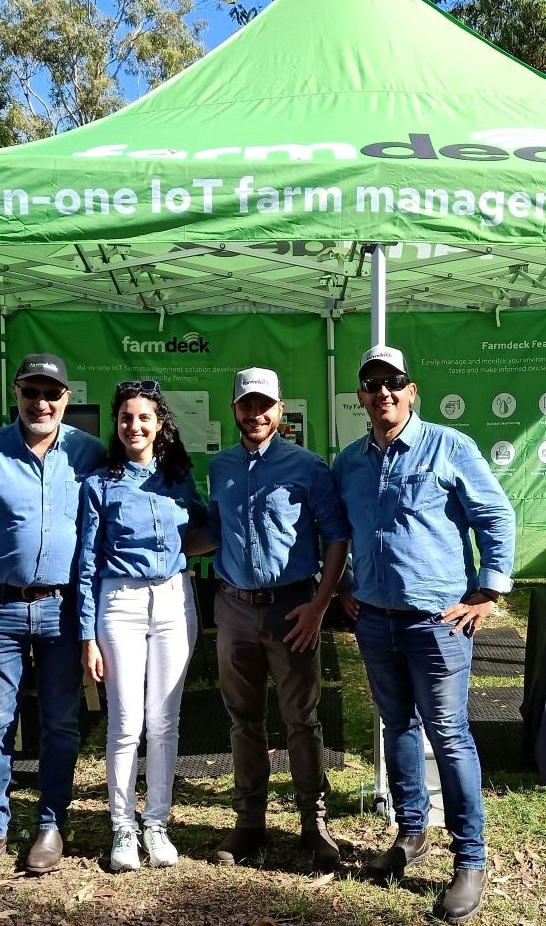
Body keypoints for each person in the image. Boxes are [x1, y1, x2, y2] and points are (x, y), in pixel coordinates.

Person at [332, 345, 515, 926]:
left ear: (413, 390)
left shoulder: (449, 447)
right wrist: (340, 587)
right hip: (375, 620)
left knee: (450, 735)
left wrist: (487, 589)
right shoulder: (349, 462)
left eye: (394, 382)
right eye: (371, 384)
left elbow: (495, 515)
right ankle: (410, 834)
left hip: (438, 620)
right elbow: (338, 529)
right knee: (397, 725)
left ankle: (471, 859)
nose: (383, 392)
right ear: (360, 395)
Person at [0, 353, 105, 882]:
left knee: (60, 723)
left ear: (67, 399)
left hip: (63, 609)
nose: (42, 402)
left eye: (52, 393)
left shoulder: (89, 454)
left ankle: (51, 823)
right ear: (16, 393)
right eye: (32, 391)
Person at [205, 367, 351, 871]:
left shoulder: (308, 466)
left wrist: (320, 605)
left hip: (292, 607)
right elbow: (210, 532)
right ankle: (250, 823)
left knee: (300, 720)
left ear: (280, 410)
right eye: (246, 405)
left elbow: (336, 537)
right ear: (235, 410)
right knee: (242, 719)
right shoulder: (218, 466)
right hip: (233, 607)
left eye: (264, 405)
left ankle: (313, 823)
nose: (255, 414)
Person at [77, 379, 209, 872]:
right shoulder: (99, 485)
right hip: (121, 604)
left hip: (175, 600)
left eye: (144, 417)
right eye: (126, 417)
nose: (135, 425)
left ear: (160, 426)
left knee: (164, 722)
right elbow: (86, 562)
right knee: (126, 722)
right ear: (117, 424)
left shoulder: (178, 477)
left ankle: (156, 824)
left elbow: (203, 527)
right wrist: (87, 635)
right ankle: (122, 828)